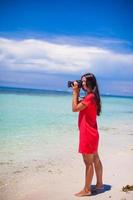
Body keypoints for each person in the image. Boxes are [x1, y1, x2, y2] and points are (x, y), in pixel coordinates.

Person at [71, 73, 103, 197]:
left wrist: (74, 92)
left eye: (84, 82)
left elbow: (74, 108)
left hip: (88, 134)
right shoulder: (92, 96)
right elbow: (79, 105)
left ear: (91, 83)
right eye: (81, 81)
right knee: (95, 159)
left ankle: (87, 189)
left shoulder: (90, 97)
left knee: (88, 162)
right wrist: (78, 93)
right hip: (92, 133)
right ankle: (99, 184)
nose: (82, 83)